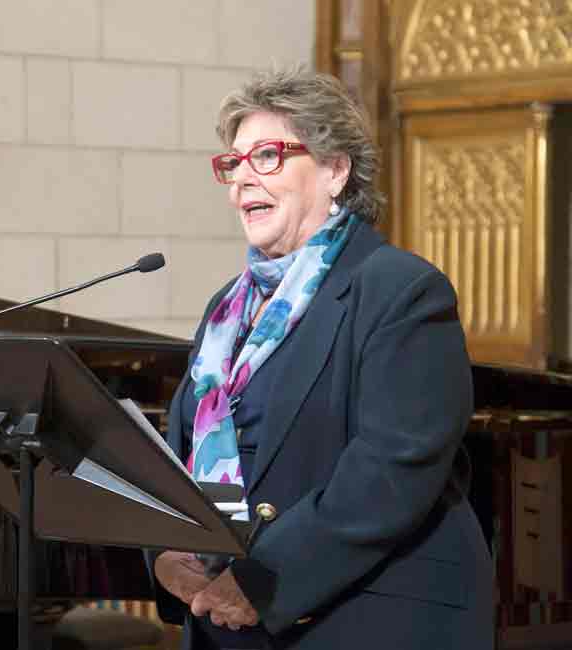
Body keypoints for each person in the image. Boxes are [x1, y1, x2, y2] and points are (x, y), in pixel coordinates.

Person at [150, 68, 492, 650]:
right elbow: (178, 456)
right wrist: (165, 551)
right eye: (233, 165)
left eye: (267, 157)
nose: (241, 182)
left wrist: (261, 581)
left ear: (336, 170)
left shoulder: (399, 290)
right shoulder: (226, 311)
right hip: (230, 617)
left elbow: (392, 468)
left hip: (362, 616)